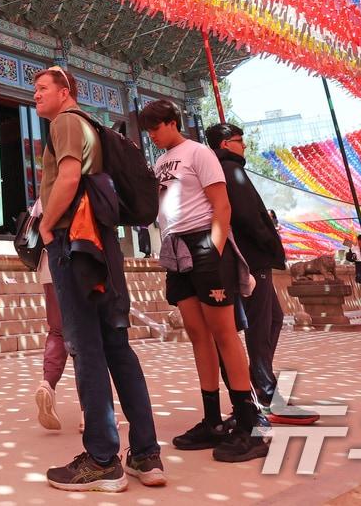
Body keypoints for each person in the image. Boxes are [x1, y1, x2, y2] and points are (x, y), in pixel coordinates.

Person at [35, 66, 164, 491]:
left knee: (85, 346)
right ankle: (145, 454)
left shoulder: (67, 123)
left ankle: (102, 457)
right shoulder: (91, 124)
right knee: (116, 346)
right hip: (101, 242)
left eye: (41, 88)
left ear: (64, 91)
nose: (34, 95)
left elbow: (69, 178)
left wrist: (45, 225)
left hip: (76, 242)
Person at [143, 101, 266, 464]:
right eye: (148, 129)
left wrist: (213, 248)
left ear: (172, 123)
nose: (152, 135)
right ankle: (212, 420)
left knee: (224, 333)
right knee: (198, 334)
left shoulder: (199, 152)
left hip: (204, 245)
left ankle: (248, 422)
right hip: (175, 248)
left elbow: (221, 205)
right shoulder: (160, 161)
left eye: (155, 128)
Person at [205, 122, 314, 426]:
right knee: (259, 325)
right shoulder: (230, 170)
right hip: (251, 256)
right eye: (241, 141)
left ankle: (258, 383)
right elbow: (246, 215)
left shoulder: (220, 169)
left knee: (271, 319)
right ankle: (265, 394)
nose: (244, 147)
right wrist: (268, 242)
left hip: (243, 255)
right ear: (226, 143)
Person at [30, 194, 70, 433]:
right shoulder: (72, 182)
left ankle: (47, 383)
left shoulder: (42, 196)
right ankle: (91, 412)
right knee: (86, 339)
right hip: (73, 262)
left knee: (57, 331)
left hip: (47, 267)